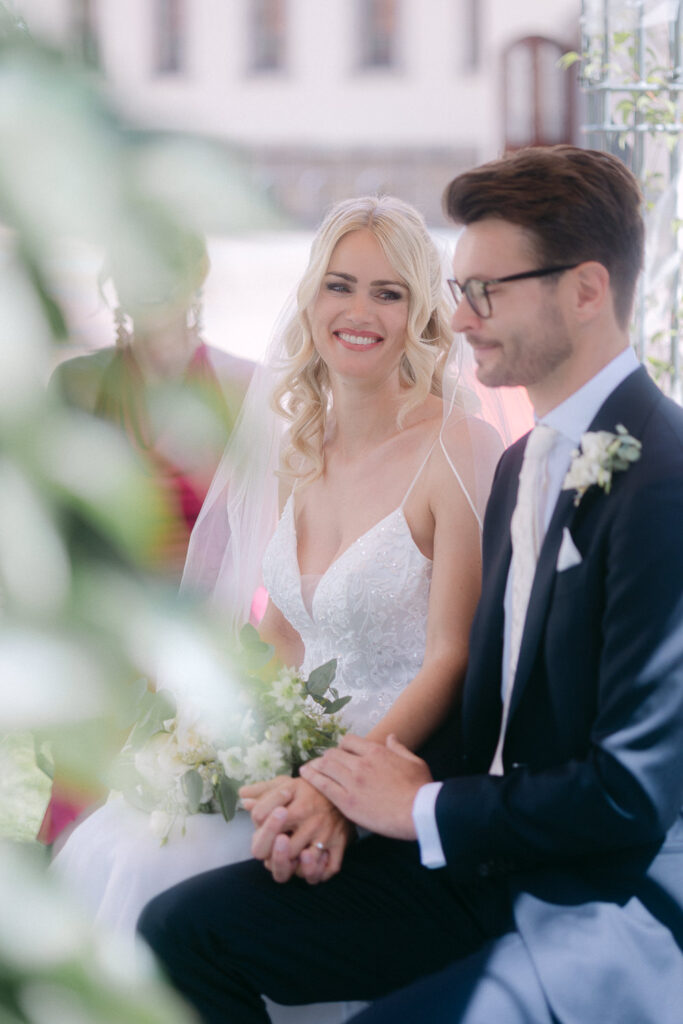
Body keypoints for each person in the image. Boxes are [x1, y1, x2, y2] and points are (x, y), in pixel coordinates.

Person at [139, 146, 683, 1024]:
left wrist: (421, 809)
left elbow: (631, 790)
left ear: (585, 291)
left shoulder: (663, 483)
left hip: (596, 900)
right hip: (470, 862)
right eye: (460, 290)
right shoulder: (523, 464)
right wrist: (328, 796)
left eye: (485, 292)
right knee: (178, 930)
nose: (458, 319)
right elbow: (489, 704)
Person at [54, 195, 511, 1023]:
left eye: (388, 293)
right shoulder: (301, 446)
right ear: (310, 299)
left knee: (159, 877)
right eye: (340, 285)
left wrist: (335, 788)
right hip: (285, 755)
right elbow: (281, 634)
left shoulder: (458, 447)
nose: (359, 312)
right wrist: (206, 736)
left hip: (386, 762)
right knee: (118, 843)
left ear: (420, 314)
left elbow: (453, 653)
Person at [39, 234, 253, 847]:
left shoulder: (241, 386)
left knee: (177, 814)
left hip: (209, 630)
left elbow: (260, 527)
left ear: (197, 276)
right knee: (81, 809)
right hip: (105, 632)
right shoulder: (78, 383)